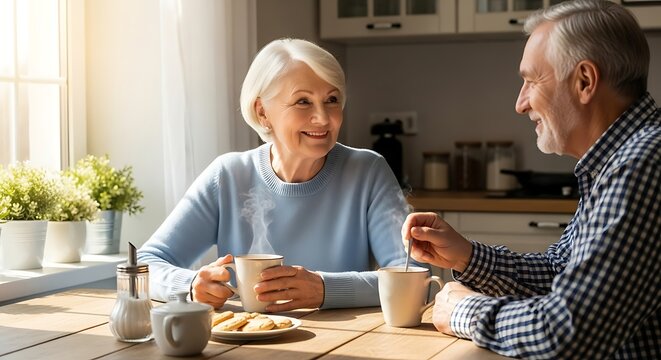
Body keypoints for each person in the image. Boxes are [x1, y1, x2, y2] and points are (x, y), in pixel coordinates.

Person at [401, 0, 659, 358]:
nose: (520, 104)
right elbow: (562, 273)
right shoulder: (618, 158)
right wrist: (467, 256)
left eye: (531, 80)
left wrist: (463, 313)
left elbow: (569, 331)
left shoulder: (642, 163)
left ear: (585, 81)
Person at [138, 38, 413, 312]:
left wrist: (325, 289)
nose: (323, 117)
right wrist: (190, 284)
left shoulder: (368, 171)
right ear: (262, 112)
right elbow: (144, 263)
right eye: (303, 101)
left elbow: (413, 278)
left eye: (332, 100)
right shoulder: (228, 176)